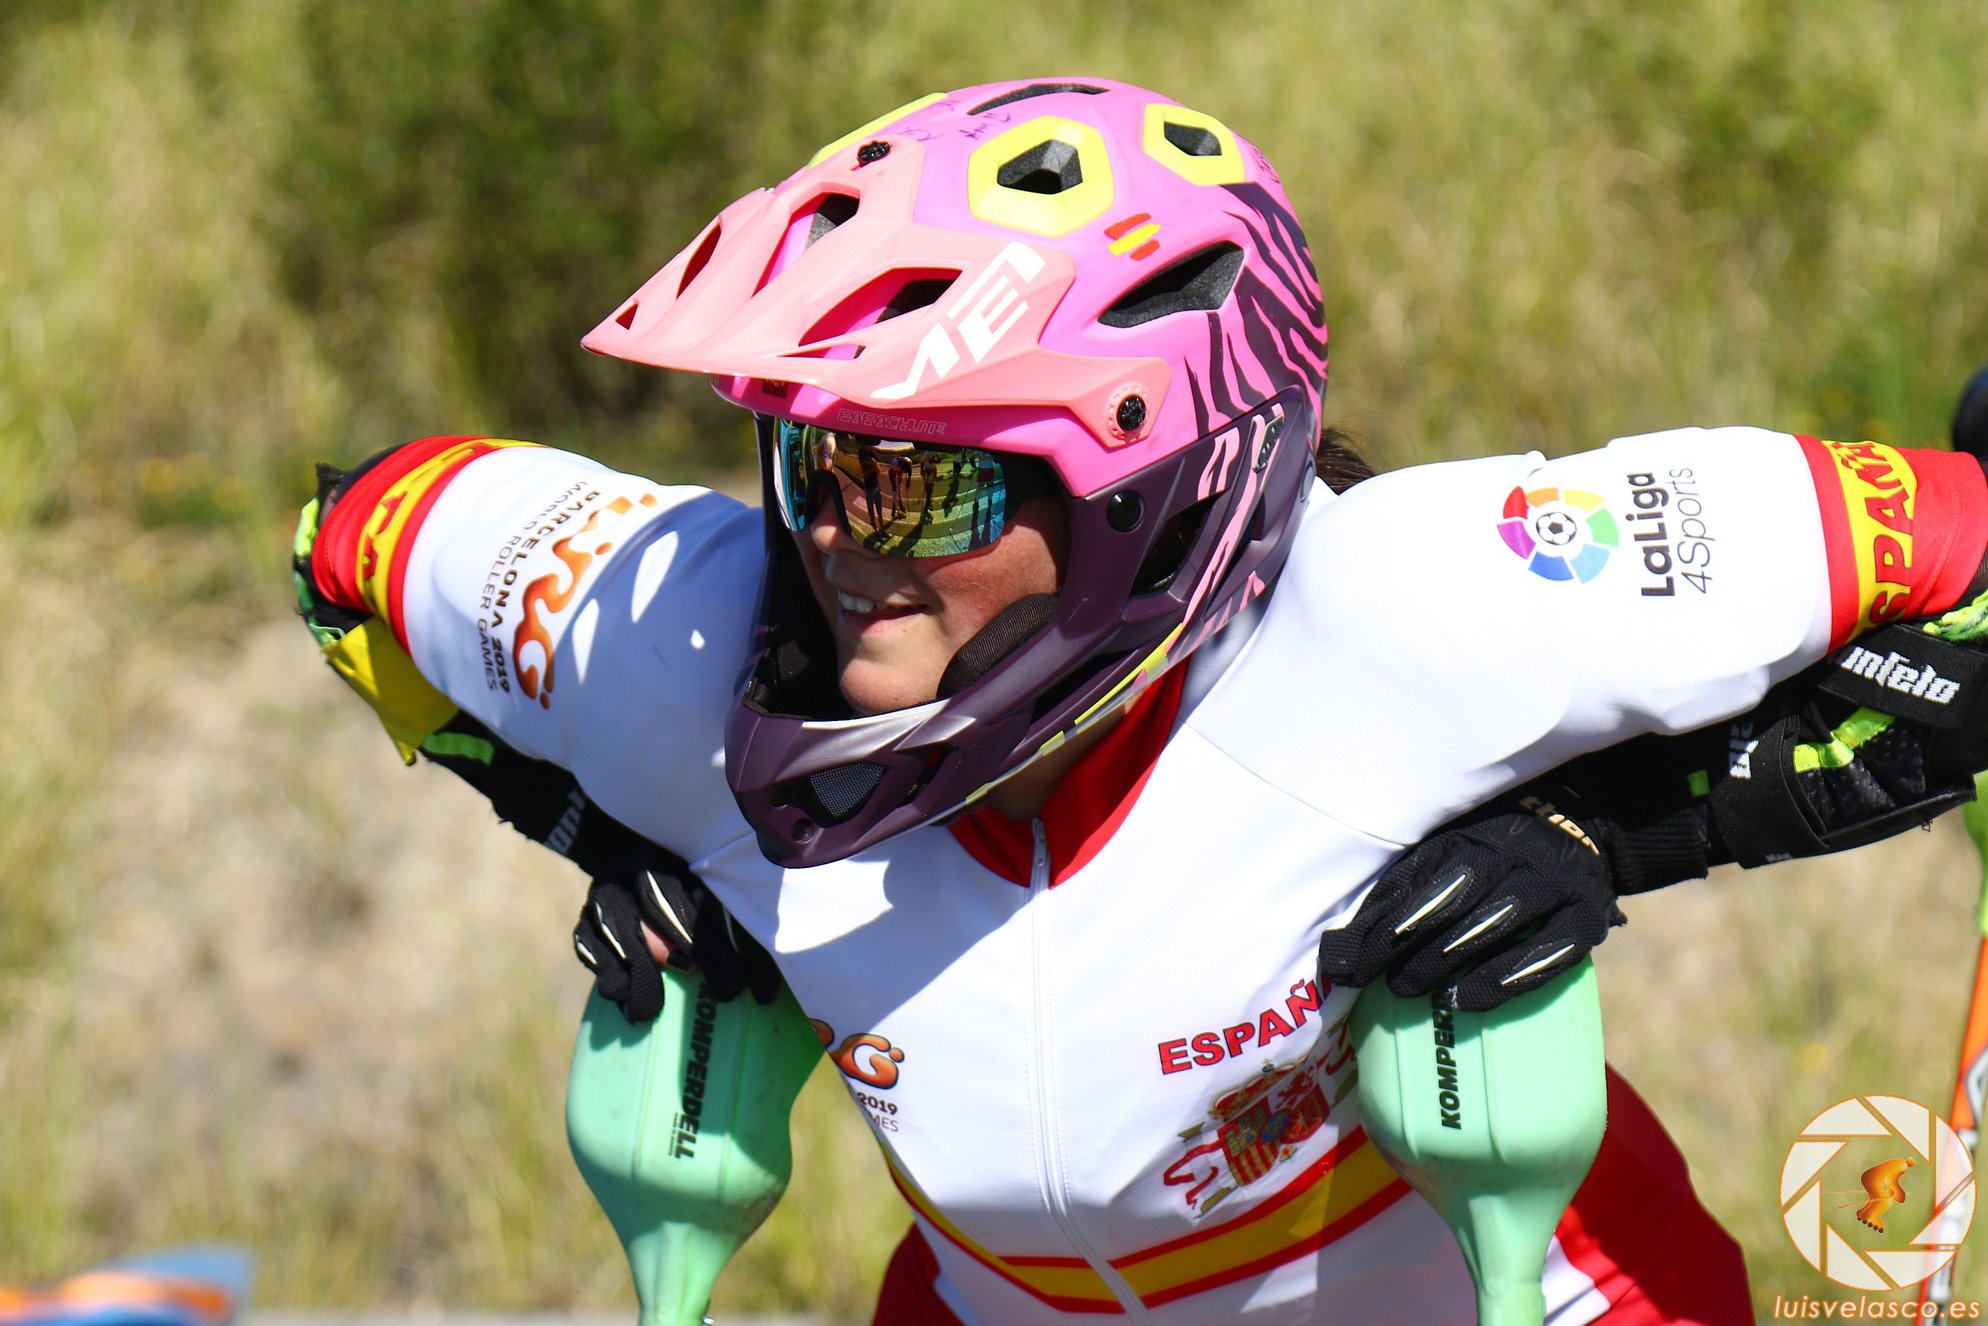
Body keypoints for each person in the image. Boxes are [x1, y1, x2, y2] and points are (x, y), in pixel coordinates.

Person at [292, 79, 1988, 1324]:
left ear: (1143, 493)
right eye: (815, 463)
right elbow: (346, 540)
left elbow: (1969, 570)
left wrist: (1597, 835)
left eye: (917, 487)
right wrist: (616, 836)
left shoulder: (1416, 604)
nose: (833, 543)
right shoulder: (678, 639)